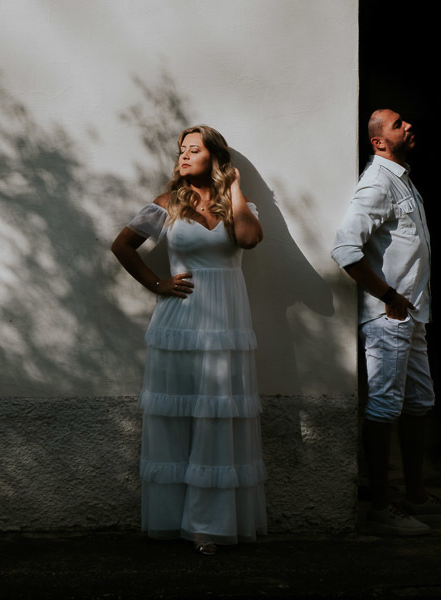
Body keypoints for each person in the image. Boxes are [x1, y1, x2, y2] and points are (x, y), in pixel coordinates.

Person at [111, 125, 266, 555]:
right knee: (180, 418)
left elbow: (250, 240)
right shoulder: (166, 205)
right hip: (180, 322)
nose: (182, 156)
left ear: (214, 158)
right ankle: (172, 518)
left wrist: (233, 185)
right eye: (181, 150)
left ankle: (207, 526)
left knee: (216, 418)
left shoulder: (239, 205)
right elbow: (122, 246)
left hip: (225, 325)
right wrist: (156, 282)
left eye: (193, 150)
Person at [331, 109, 441, 535]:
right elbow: (345, 249)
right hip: (388, 316)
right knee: (386, 406)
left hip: (413, 314)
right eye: (397, 124)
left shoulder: (400, 178)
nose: (408, 125)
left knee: (418, 403)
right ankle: (381, 510)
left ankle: (416, 497)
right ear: (379, 141)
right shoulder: (376, 184)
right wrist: (388, 296)